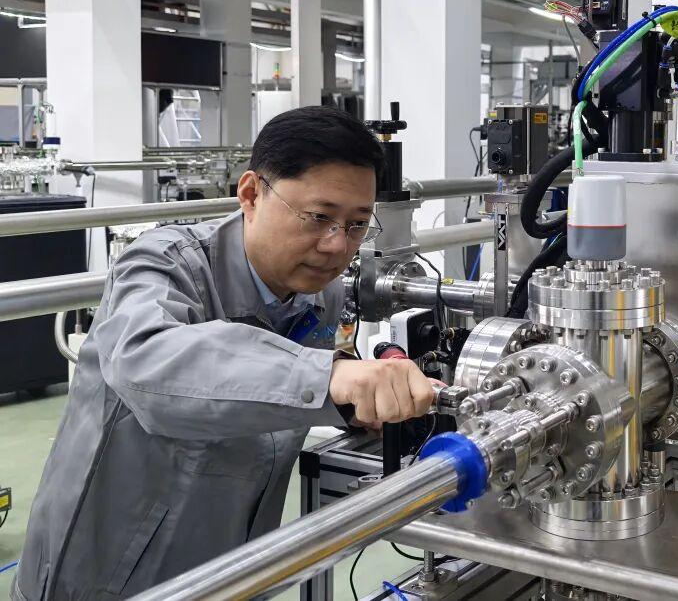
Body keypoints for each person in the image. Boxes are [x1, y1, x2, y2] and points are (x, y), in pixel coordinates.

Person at [13, 106, 435, 601]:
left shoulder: (321, 293)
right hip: (107, 572)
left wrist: (351, 406)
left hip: (233, 558)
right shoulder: (165, 264)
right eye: (319, 217)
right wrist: (326, 378)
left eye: (357, 224)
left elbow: (270, 400)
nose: (337, 246)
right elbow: (146, 360)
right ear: (251, 194)